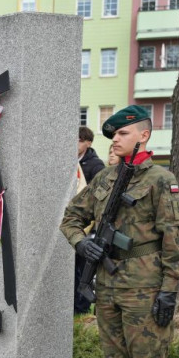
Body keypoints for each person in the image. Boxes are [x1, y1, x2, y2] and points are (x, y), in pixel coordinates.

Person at [60, 105, 179, 358]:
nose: (114, 140)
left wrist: (169, 289)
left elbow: (175, 239)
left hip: (146, 285)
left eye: (122, 133)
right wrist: (80, 242)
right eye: (113, 135)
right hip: (109, 283)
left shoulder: (161, 179)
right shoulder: (105, 178)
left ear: (143, 135)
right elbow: (72, 217)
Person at [73, 126, 108, 314]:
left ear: (88, 143)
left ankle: (81, 307)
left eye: (79, 140)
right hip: (71, 222)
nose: (75, 143)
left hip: (87, 225)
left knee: (81, 268)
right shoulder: (68, 161)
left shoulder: (95, 166)